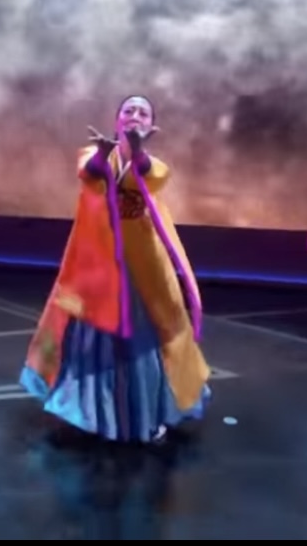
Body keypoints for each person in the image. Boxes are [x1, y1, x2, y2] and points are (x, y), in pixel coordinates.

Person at [21, 95, 212, 444]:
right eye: (128, 110)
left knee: (144, 343)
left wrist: (134, 151)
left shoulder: (156, 166)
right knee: (93, 341)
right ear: (117, 119)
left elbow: (143, 175)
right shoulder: (91, 156)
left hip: (143, 270)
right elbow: (92, 174)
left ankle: (145, 416)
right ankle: (92, 415)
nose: (135, 115)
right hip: (99, 268)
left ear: (151, 124)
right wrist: (105, 153)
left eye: (143, 112)